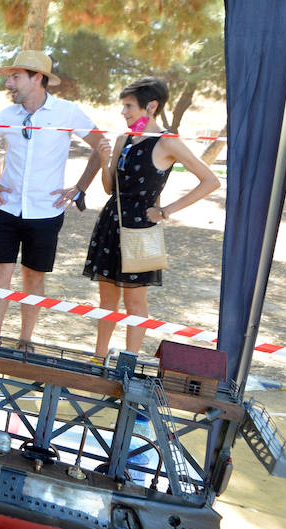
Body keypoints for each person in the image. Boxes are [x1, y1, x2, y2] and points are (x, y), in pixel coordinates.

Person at [0, 49, 105, 348]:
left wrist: (80, 187)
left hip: (46, 212)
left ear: (38, 78)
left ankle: (26, 341)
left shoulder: (67, 112)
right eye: (10, 78)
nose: (9, 85)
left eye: (16, 78)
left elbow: (101, 145)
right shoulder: (6, 115)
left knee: (34, 278)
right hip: (6, 209)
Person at [82, 78, 219, 357]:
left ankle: (128, 362)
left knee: (135, 301)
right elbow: (110, 188)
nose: (124, 112)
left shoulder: (167, 141)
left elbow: (210, 181)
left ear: (151, 106)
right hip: (111, 221)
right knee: (107, 299)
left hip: (140, 228)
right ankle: (98, 358)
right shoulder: (124, 139)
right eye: (123, 106)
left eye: (129, 106)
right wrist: (107, 159)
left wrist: (166, 211)